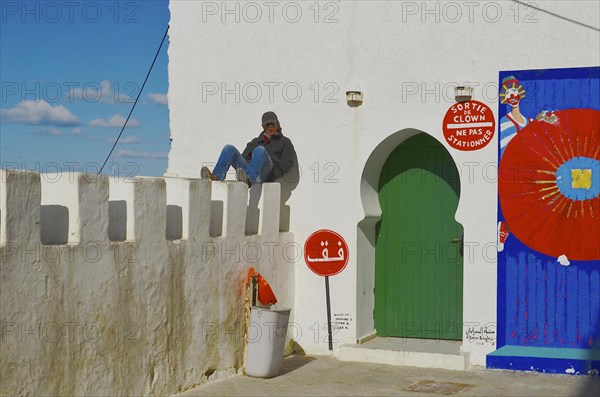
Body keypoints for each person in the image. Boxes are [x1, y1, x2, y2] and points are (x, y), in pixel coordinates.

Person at [201, 111, 298, 187]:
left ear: (277, 124)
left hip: (267, 173)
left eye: (272, 123)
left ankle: (248, 180)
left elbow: (287, 166)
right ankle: (216, 177)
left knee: (260, 150)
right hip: (249, 170)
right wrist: (254, 157)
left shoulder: (285, 142)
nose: (270, 126)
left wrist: (270, 157)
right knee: (229, 148)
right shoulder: (256, 141)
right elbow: (243, 157)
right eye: (267, 124)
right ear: (263, 126)